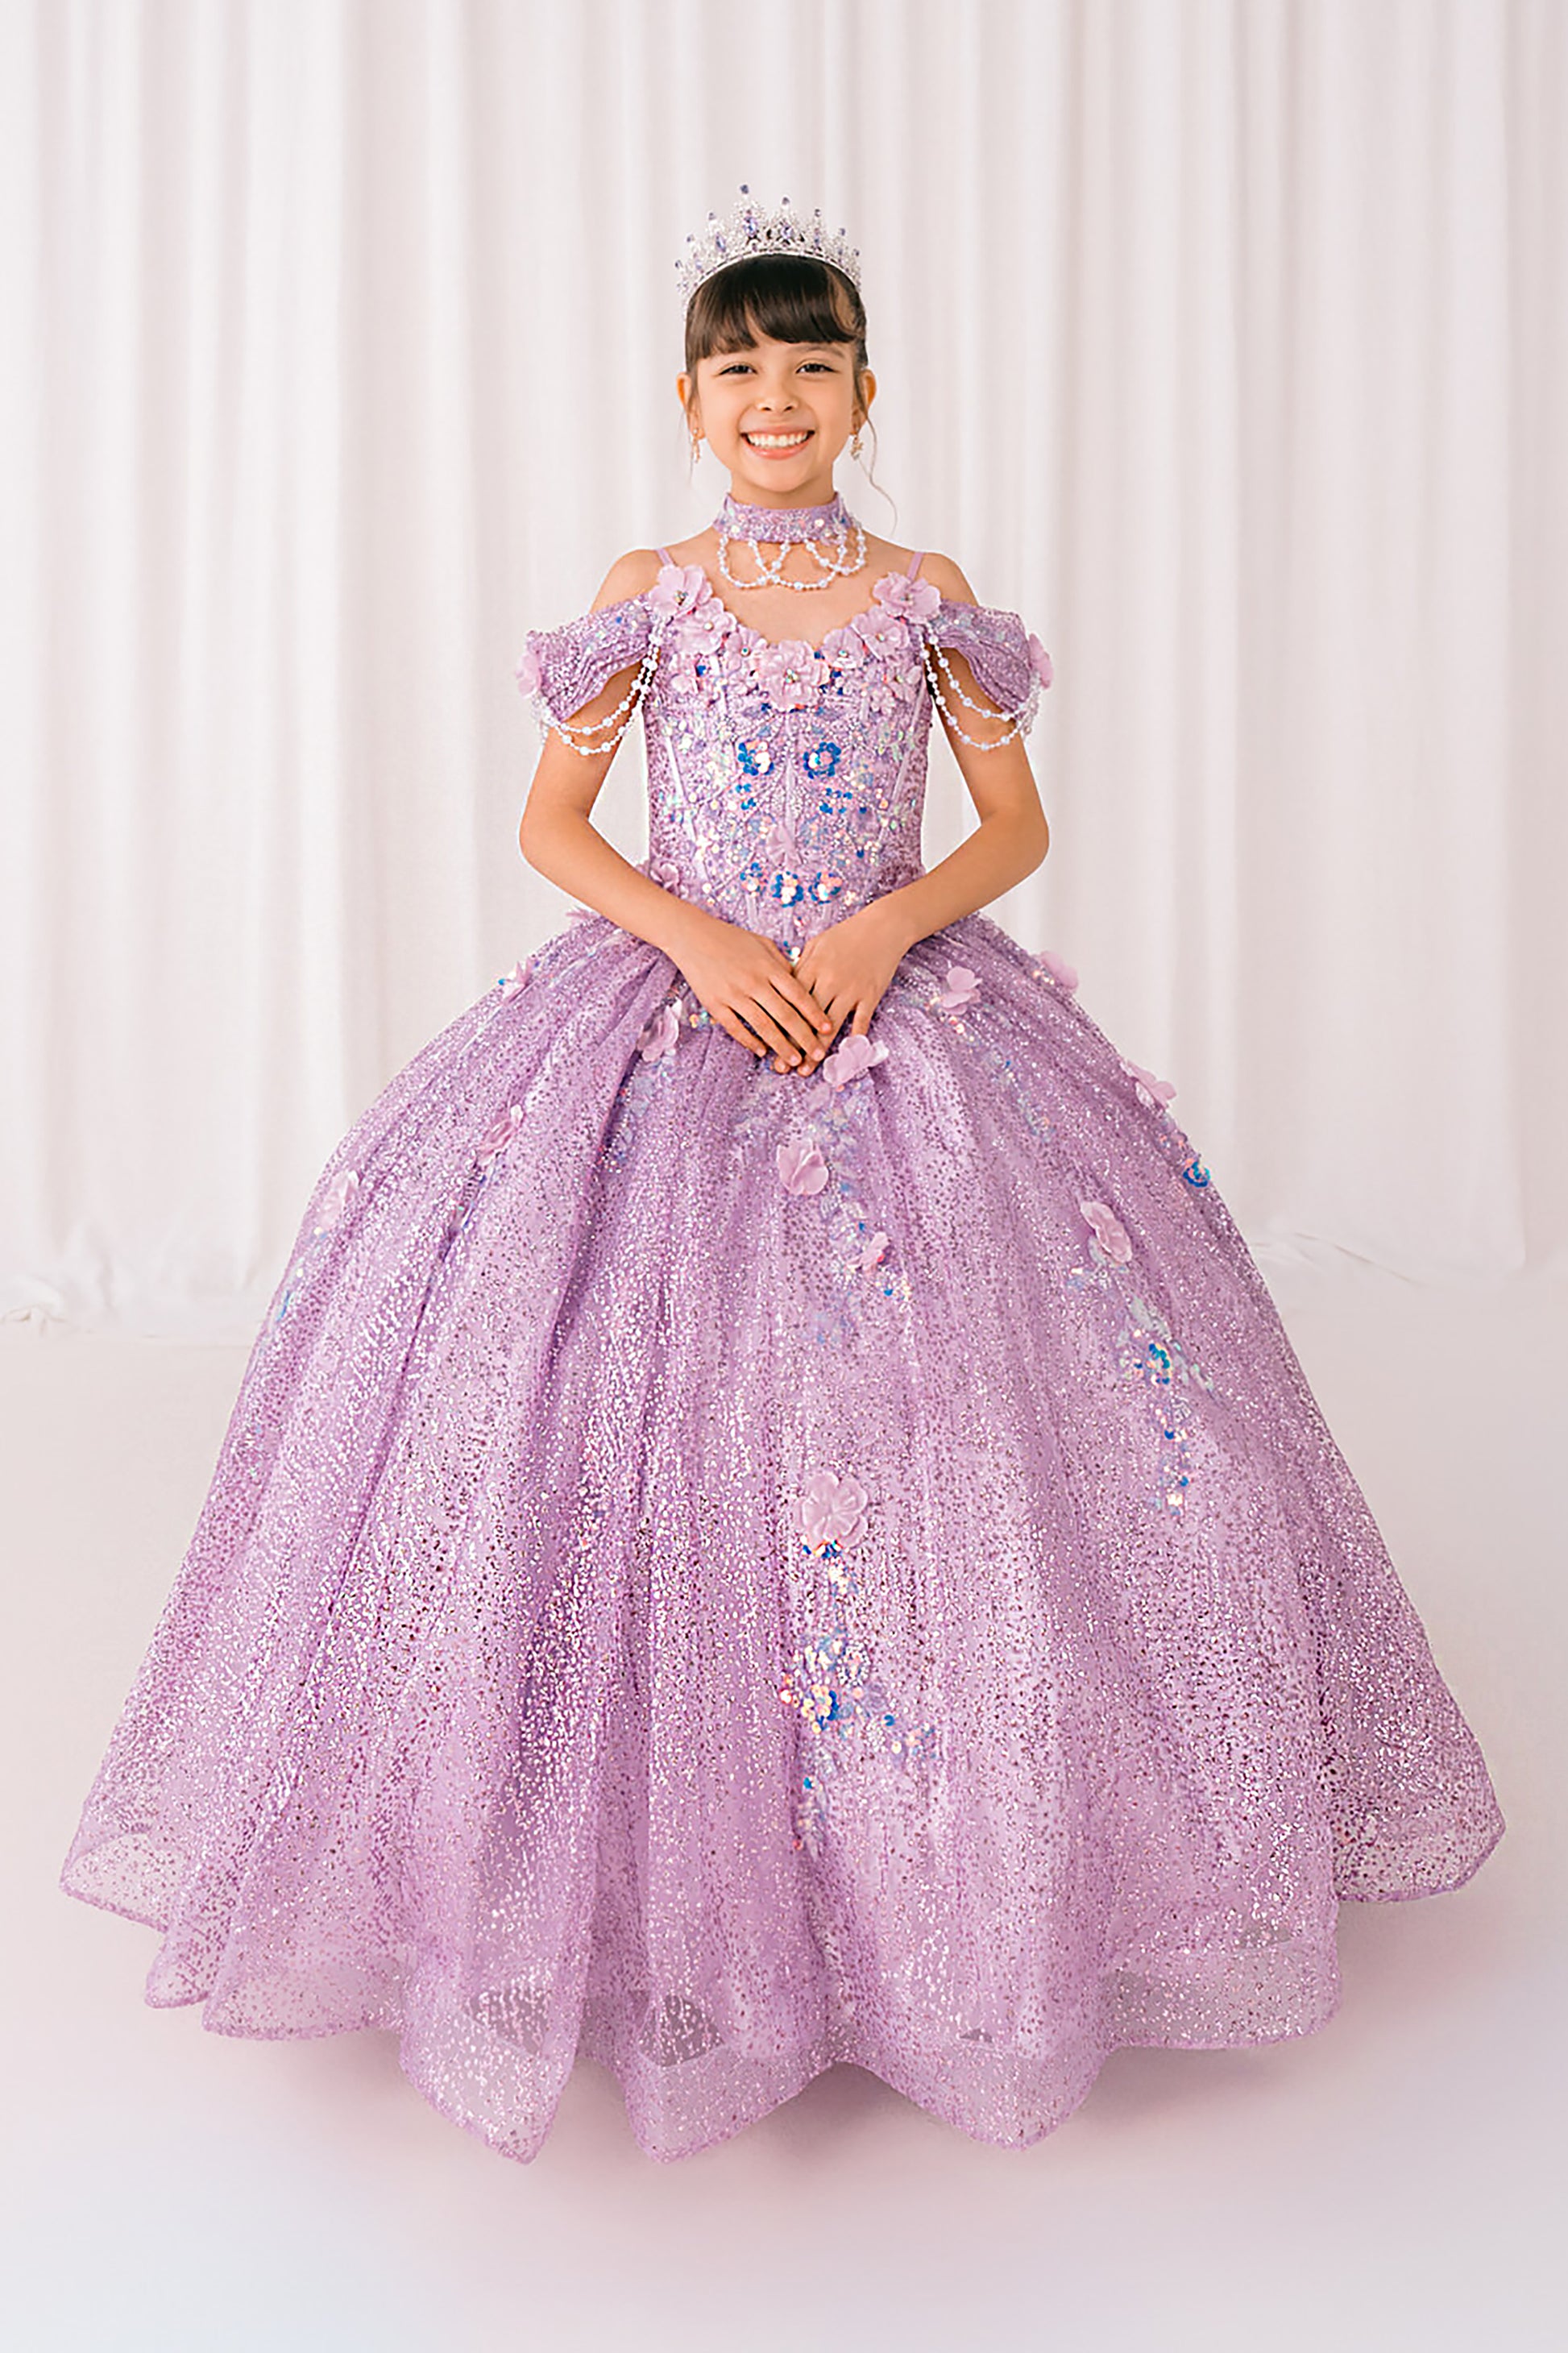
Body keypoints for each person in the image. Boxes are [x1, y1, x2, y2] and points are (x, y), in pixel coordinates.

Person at [60, 190, 1504, 2168]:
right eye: (738, 367)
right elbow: (554, 821)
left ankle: (951, 1883)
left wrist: (881, 930)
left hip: (896, 1009)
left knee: (954, 1412)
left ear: (859, 389)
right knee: (613, 1392)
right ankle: (613, 1876)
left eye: (808, 365)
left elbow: (1015, 821)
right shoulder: (649, 594)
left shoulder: (924, 593)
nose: (774, 397)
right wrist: (705, 942)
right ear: (689, 397)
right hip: (681, 1004)